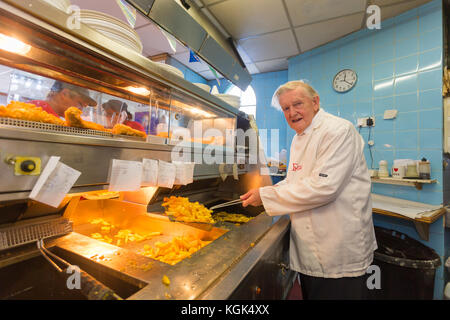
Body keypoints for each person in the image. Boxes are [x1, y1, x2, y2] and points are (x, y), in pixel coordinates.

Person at [240, 80, 377, 300]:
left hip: (338, 251)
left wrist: (267, 196)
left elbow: (324, 187)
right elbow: (296, 180)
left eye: (297, 104)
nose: (292, 112)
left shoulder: (338, 130)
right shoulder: (298, 138)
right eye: (286, 108)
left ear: (315, 102)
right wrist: (266, 192)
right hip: (312, 251)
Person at [30, 80, 97, 118]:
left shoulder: (51, 117)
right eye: (80, 104)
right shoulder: (36, 113)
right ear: (64, 94)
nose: (80, 111)